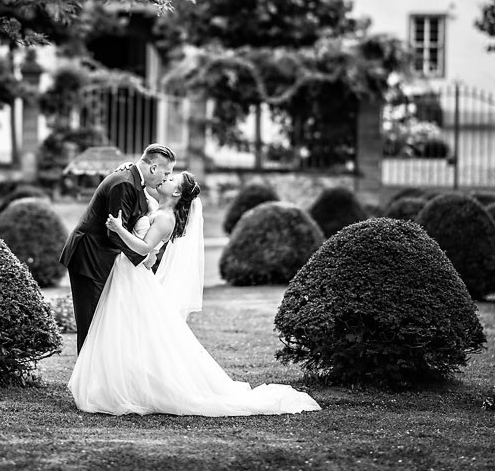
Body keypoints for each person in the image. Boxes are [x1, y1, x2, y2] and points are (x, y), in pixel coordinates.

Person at [68, 171, 320, 417]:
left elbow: (144, 249)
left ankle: (122, 387)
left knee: (129, 330)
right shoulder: (154, 206)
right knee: (125, 331)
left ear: (177, 192)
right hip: (127, 273)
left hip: (131, 276)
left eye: (171, 178)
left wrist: (118, 228)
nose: (166, 178)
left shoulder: (166, 218)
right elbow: (149, 254)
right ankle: (116, 381)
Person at [59, 143, 176, 351]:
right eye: (166, 173)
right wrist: (143, 257)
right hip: (90, 256)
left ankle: (94, 376)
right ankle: (86, 381)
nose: (166, 178)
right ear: (153, 168)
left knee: (102, 320)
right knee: (91, 320)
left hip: (102, 257)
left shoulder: (134, 180)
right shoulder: (125, 183)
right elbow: (113, 231)